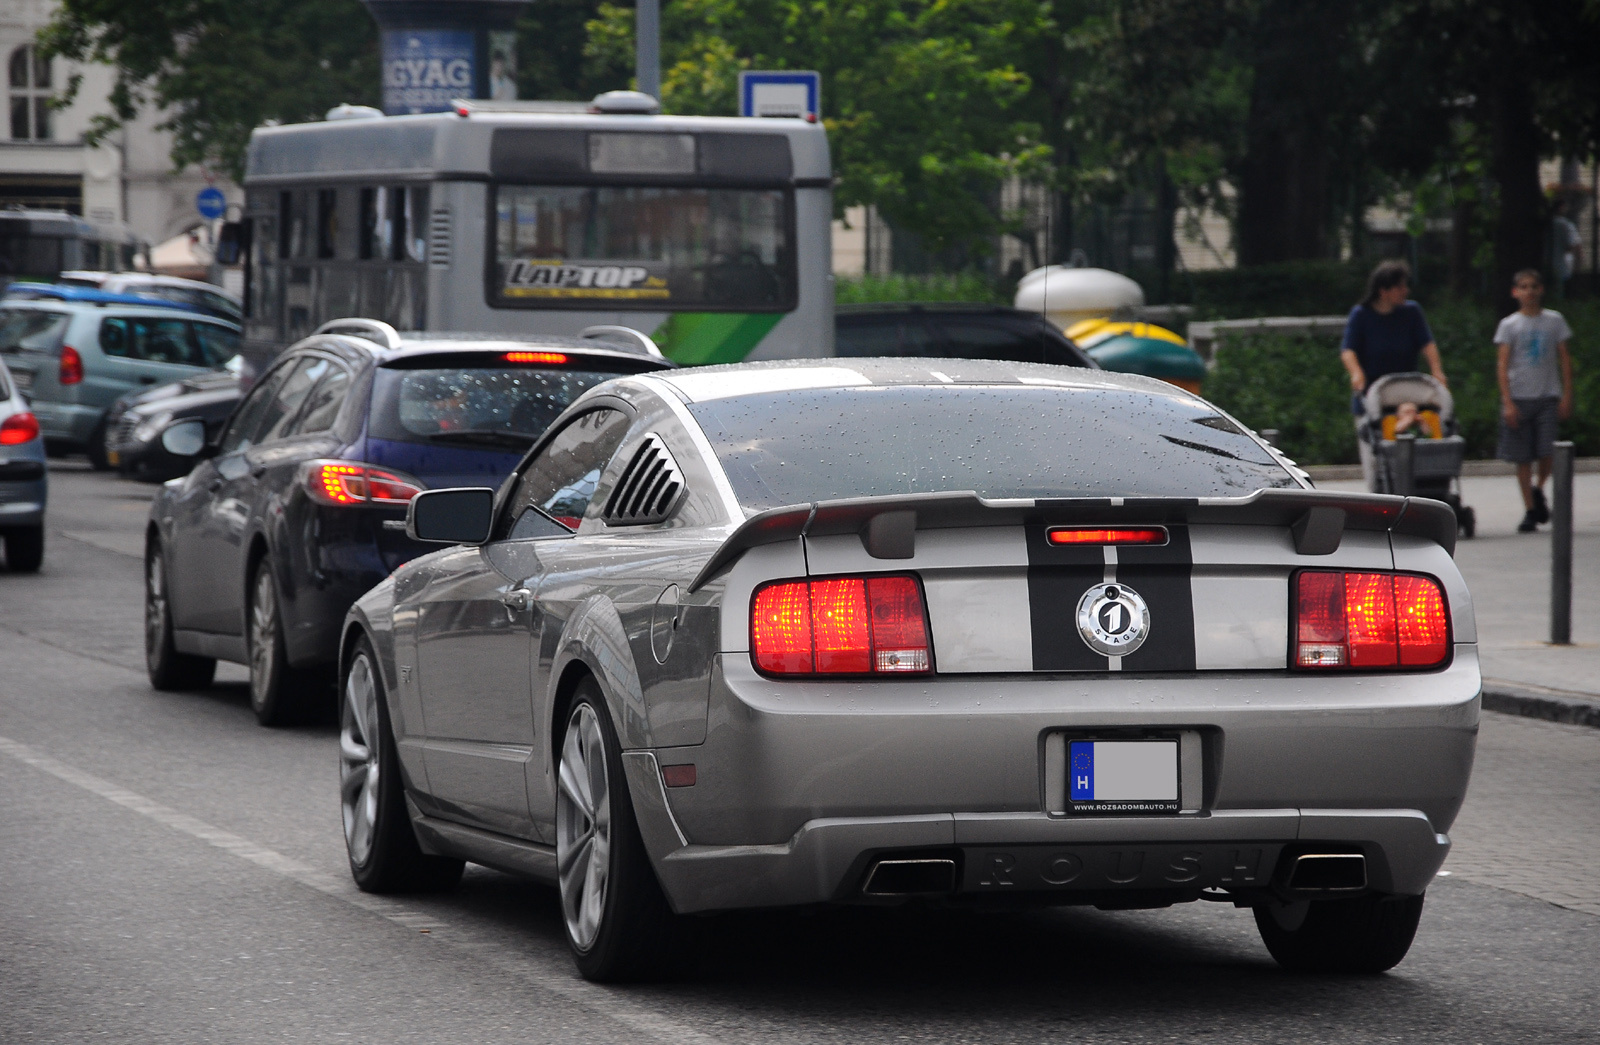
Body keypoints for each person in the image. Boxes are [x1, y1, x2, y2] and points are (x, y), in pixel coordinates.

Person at [1340, 260, 1448, 488]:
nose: (1405, 291)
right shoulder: (1361, 315)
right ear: (1384, 291)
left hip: (1407, 392)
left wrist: (1437, 371)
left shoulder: (1411, 312)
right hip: (1373, 395)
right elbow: (1348, 350)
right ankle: (1379, 492)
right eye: (1400, 287)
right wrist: (1356, 373)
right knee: (1374, 458)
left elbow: (1427, 344)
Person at [1495, 269, 1574, 533]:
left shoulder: (1554, 321)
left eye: (1533, 286)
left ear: (1541, 290)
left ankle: (1539, 488)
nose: (1529, 291)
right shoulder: (1510, 325)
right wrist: (1507, 401)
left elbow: (1564, 358)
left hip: (1547, 395)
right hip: (1519, 396)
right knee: (1523, 457)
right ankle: (1529, 508)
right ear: (1515, 292)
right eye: (1523, 287)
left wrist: (1566, 394)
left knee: (1547, 450)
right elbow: (1503, 364)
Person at [1552, 198, 1583, 291]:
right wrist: (1579, 264)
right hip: (1563, 266)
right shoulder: (1565, 224)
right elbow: (1574, 245)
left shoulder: (1545, 224)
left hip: (1548, 266)